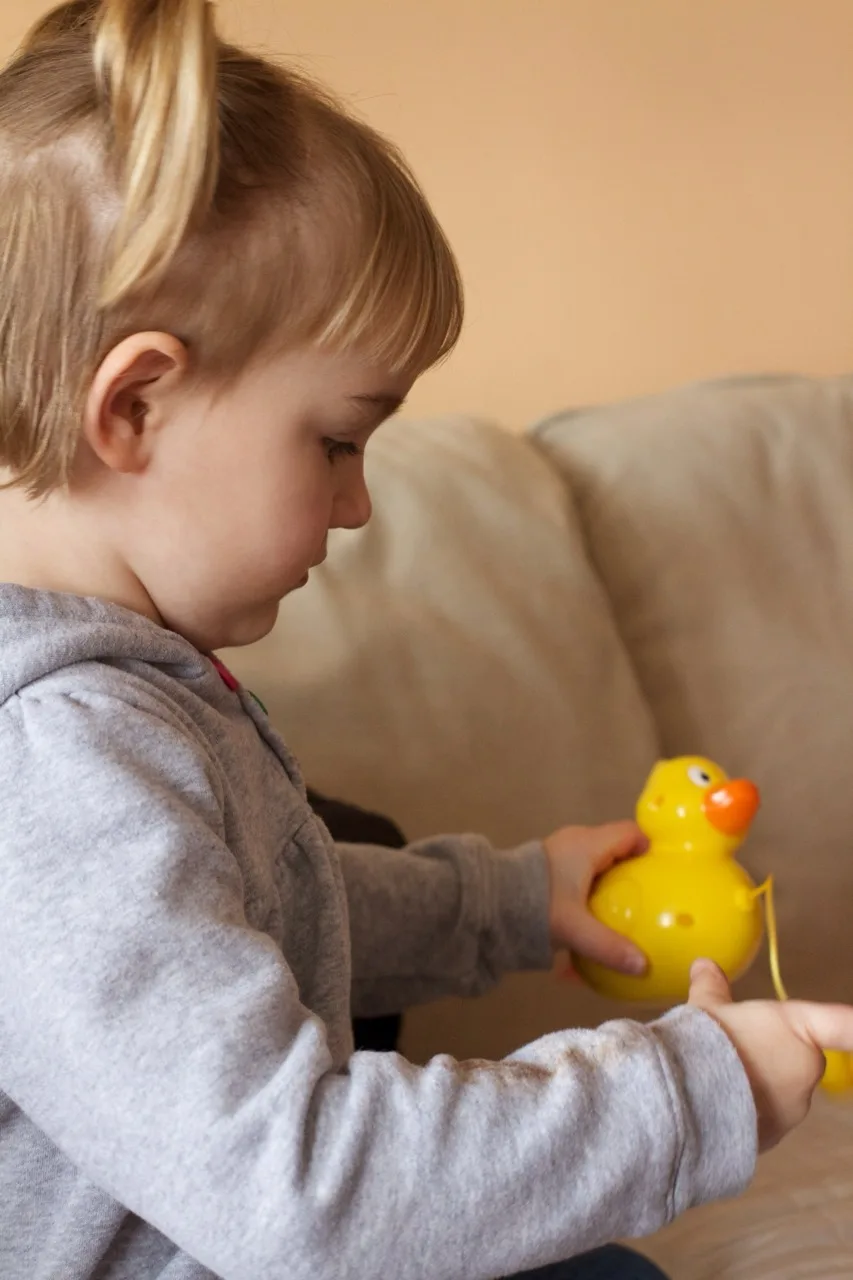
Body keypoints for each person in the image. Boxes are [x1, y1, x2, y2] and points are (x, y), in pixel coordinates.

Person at [0, 3, 850, 1279]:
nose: (355, 501)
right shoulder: (62, 763)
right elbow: (299, 1191)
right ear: (133, 405)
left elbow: (261, 906)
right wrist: (687, 1090)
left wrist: (503, 901)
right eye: (337, 439)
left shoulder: (127, 703)